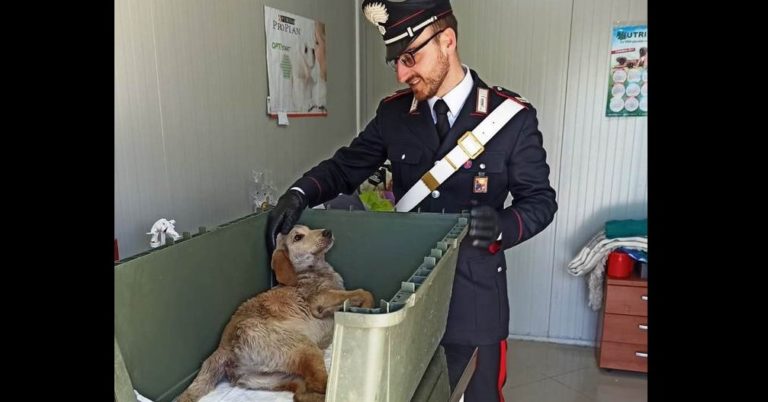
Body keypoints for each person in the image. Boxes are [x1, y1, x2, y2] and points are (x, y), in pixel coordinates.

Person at [266, 1, 557, 401]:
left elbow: (540, 201)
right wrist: (299, 193)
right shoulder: (394, 115)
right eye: (396, 63)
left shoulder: (510, 118)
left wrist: (504, 226)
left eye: (410, 57)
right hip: (409, 295)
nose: (403, 73)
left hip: (474, 298)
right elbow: (345, 167)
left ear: (448, 41)